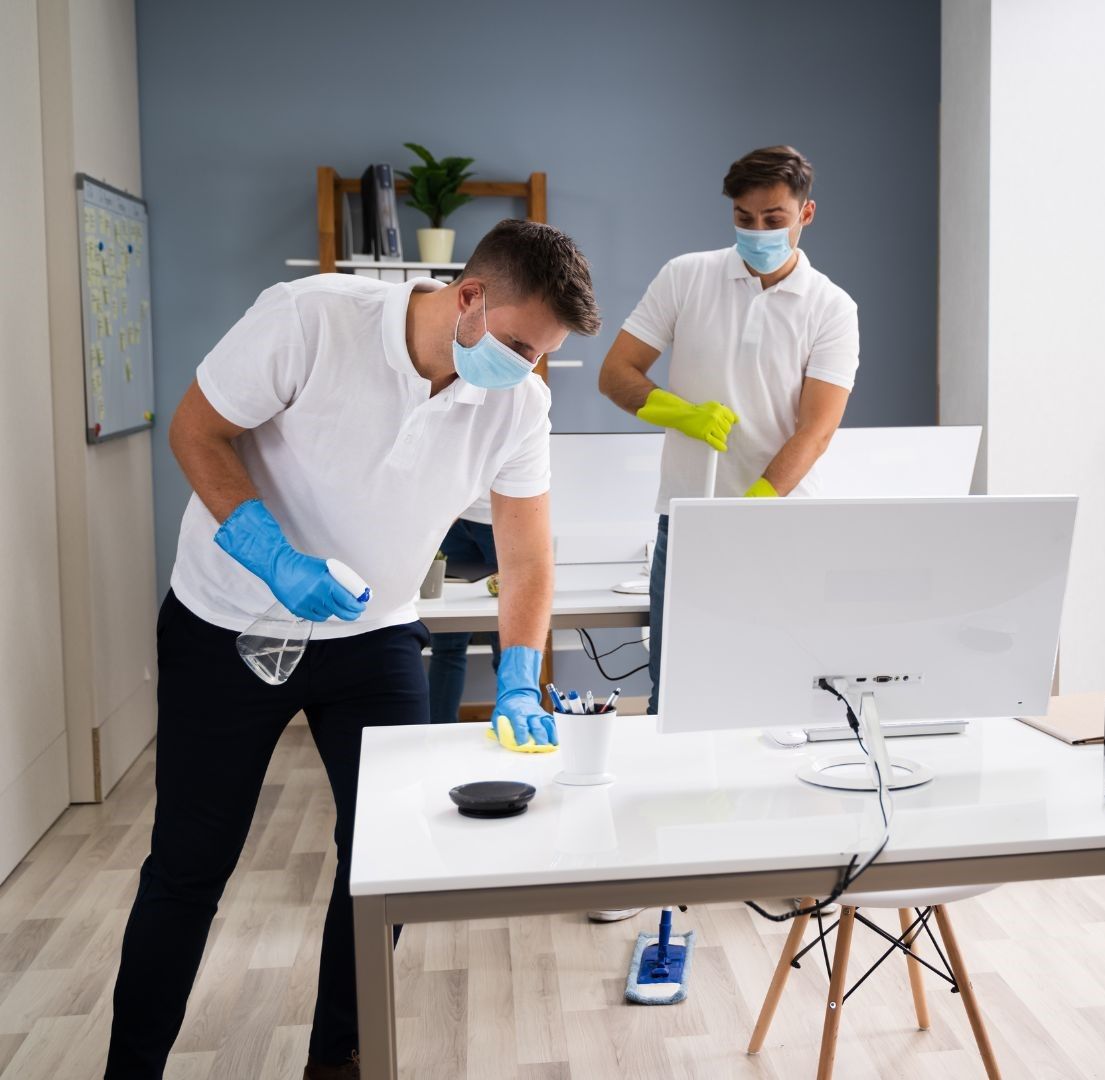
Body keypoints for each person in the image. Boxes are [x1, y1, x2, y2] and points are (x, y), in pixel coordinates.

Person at [105, 219, 599, 1080]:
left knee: (388, 856)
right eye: (521, 344)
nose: (527, 367)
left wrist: (520, 677)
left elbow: (526, 556)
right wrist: (269, 554)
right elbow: (195, 431)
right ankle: (130, 1069)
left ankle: (336, 1058)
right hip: (227, 624)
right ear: (470, 297)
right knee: (189, 865)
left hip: (373, 636)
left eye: (541, 355)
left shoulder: (518, 400)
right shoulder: (310, 318)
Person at [595, 145, 859, 922]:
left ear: (805, 213)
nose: (757, 232)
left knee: (781, 696)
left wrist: (755, 503)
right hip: (689, 516)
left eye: (773, 219)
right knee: (676, 689)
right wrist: (673, 408)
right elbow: (617, 373)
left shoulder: (830, 307)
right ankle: (650, 872)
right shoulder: (686, 276)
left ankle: (780, 860)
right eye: (743, 219)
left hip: (781, 526)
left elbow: (815, 430)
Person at [427, 495, 501, 725]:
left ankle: (517, 731)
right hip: (455, 518)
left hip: (502, 516)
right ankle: (437, 735)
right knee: (448, 646)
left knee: (508, 649)